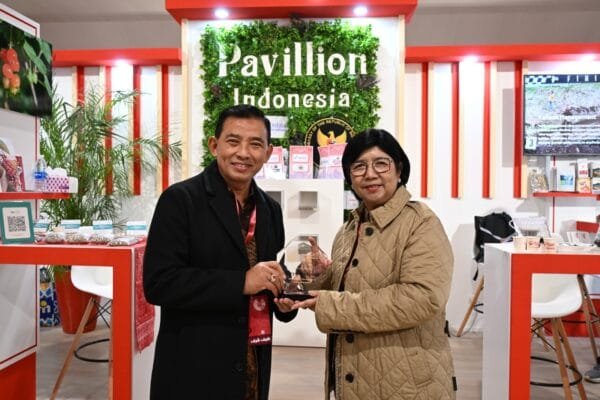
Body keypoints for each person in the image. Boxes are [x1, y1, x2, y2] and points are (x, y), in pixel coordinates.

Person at [143, 104, 297, 400]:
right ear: (215, 145)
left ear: (268, 153)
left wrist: (286, 298)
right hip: (194, 368)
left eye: (255, 144)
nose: (244, 153)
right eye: (233, 141)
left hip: (252, 365)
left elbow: (271, 276)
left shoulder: (270, 210)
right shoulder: (180, 200)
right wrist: (241, 282)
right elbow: (159, 283)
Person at [290, 128, 456, 399]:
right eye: (359, 166)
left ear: (399, 170)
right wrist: (318, 276)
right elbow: (352, 286)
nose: (370, 174)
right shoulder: (349, 228)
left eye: (381, 164)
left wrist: (331, 304)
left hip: (406, 384)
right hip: (355, 378)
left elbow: (422, 298)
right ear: (349, 176)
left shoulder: (421, 223)